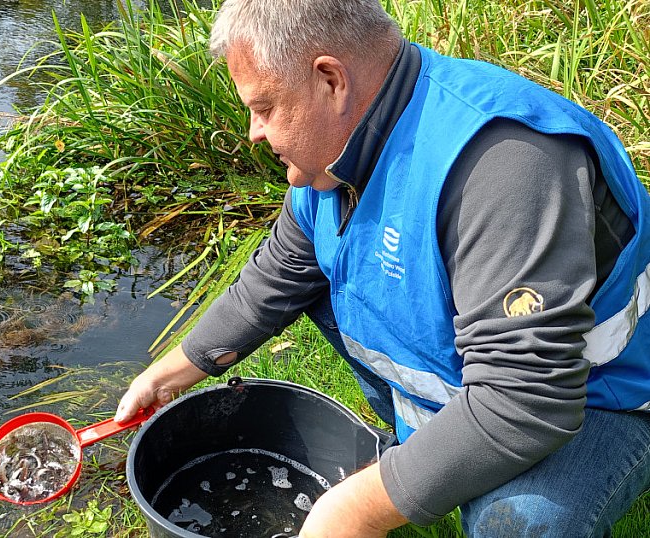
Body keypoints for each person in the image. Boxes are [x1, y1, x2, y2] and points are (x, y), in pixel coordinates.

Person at [114, 0, 650, 536]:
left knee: (520, 525)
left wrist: (350, 511)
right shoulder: (331, 156)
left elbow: (524, 397)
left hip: (601, 397)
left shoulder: (506, 163)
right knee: (315, 283)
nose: (254, 132)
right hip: (478, 380)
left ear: (329, 80)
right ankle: (426, 449)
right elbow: (276, 277)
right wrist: (168, 373)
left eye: (265, 107)